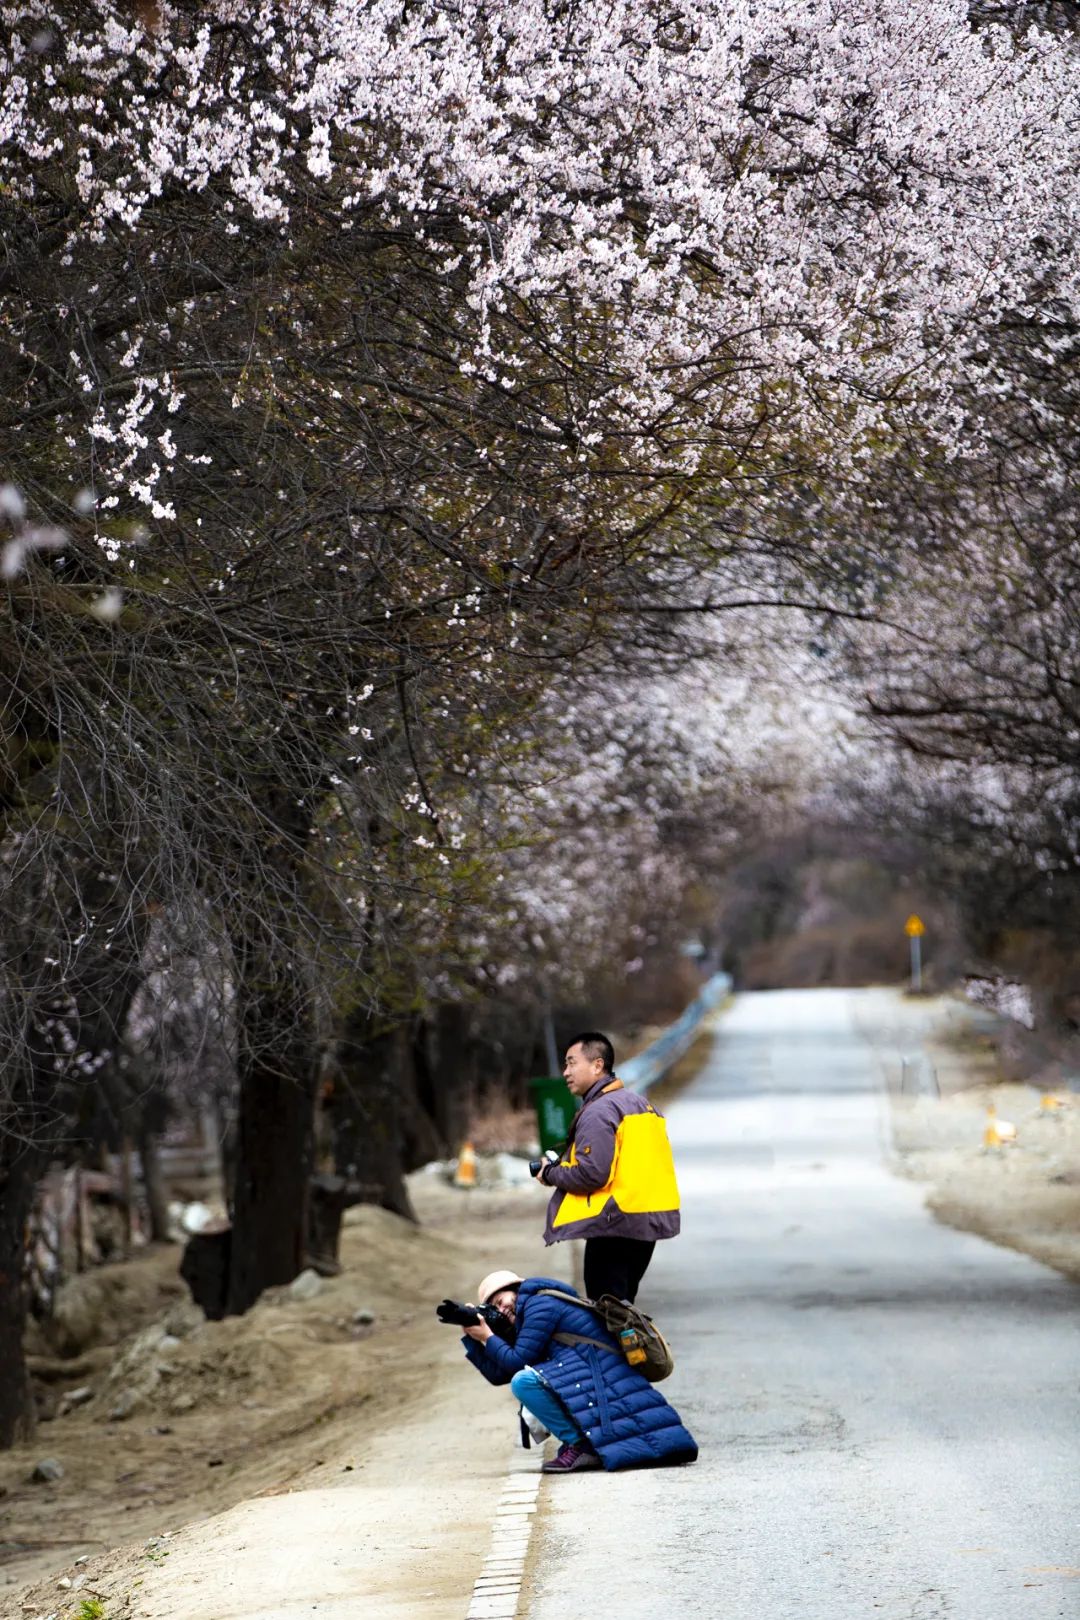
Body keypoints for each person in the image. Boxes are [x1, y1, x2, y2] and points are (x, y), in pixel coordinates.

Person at [461, 1269, 697, 1474]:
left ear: (516, 1289)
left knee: (524, 1381)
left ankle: (580, 1445)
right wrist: (472, 1337)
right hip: (587, 1371)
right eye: (495, 1309)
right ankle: (583, 1444)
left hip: (599, 1372)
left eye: (502, 1301)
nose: (502, 1310)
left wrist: (489, 1336)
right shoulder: (525, 1314)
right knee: (522, 1380)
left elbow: (516, 1362)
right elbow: (499, 1374)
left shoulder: (538, 1304)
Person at [532, 1031, 680, 1303]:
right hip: (645, 1223)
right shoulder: (642, 1105)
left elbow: (592, 1174)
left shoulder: (600, 1110)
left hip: (615, 1225)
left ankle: (637, 1348)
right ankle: (635, 1347)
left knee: (607, 1313)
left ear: (597, 1065)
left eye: (572, 1063)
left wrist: (551, 1173)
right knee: (623, 1313)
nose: (566, 1072)